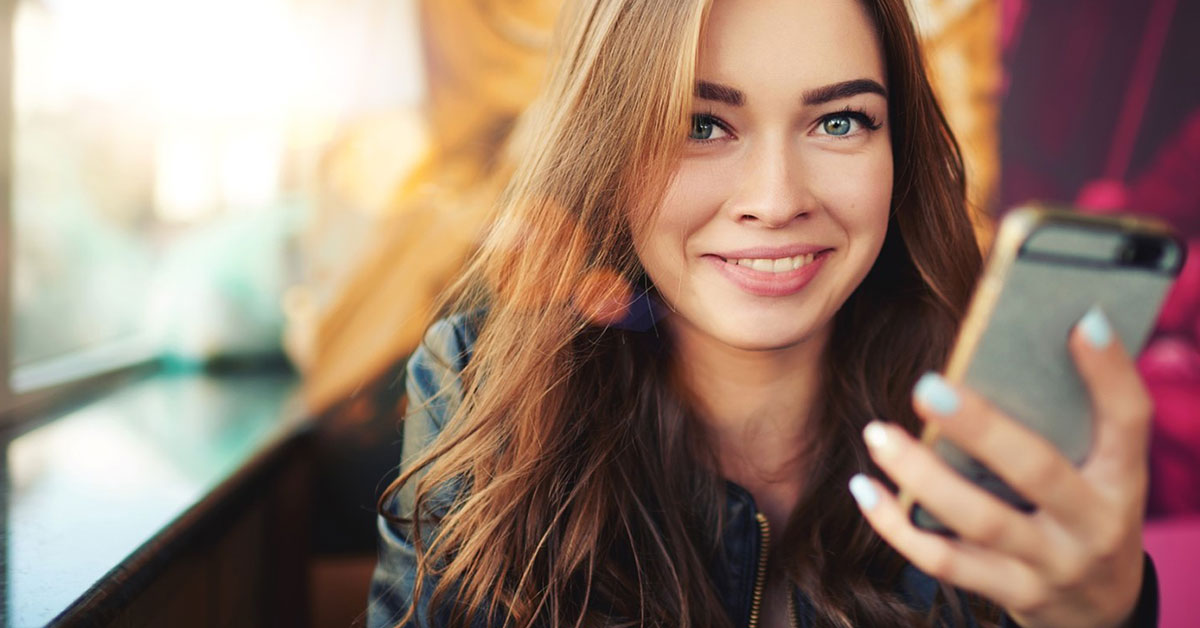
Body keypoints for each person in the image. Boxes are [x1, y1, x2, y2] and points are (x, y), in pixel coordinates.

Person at [368, 0, 1159, 625]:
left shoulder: (997, 425)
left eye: (839, 121)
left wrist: (1109, 619)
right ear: (607, 144)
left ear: (899, 150)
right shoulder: (476, 385)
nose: (776, 201)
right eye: (700, 125)